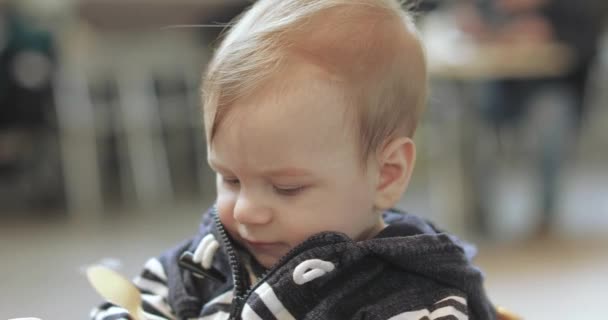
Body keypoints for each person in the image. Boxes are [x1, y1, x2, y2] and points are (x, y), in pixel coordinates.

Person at [91, 0, 497, 319]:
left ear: (386, 175)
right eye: (230, 179)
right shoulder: (211, 256)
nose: (246, 211)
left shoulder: (414, 296)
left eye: (286, 188)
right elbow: (142, 301)